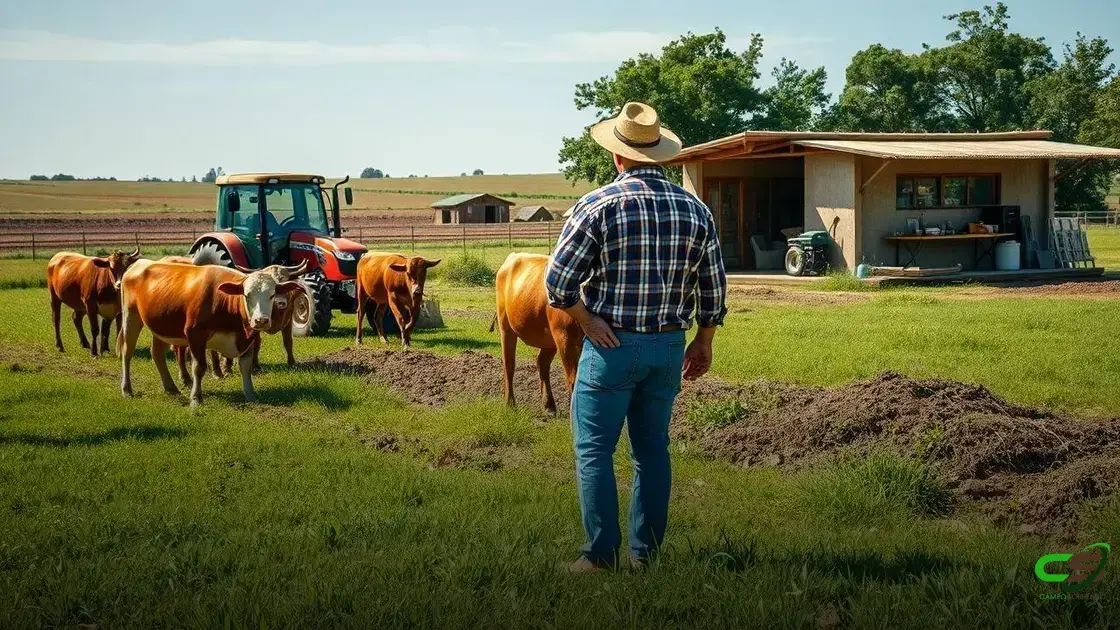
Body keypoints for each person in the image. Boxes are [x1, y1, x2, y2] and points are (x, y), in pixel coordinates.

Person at [545, 102, 727, 572]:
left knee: (594, 451)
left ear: (617, 157)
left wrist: (587, 321)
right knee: (652, 452)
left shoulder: (597, 205)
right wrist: (703, 339)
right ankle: (645, 556)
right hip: (668, 348)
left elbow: (558, 285)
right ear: (661, 156)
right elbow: (713, 287)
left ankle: (600, 554)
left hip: (611, 346)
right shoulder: (696, 210)